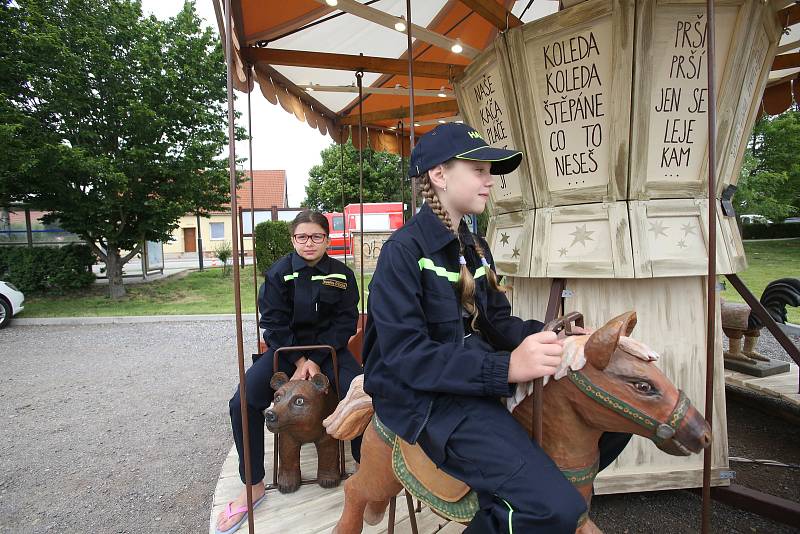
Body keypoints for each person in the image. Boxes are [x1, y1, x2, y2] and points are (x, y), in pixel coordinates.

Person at [362, 123, 631, 533]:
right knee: (550, 509)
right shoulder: (403, 253)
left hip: (472, 376)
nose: (490, 182)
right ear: (439, 174)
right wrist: (505, 369)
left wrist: (563, 337)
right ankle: (534, 504)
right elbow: (406, 358)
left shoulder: (474, 246)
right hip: (426, 397)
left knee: (616, 418)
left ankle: (521, 495)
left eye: (491, 172)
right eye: (479, 171)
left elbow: (498, 321)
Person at [216, 210, 362, 534]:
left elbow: (345, 321)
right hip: (285, 353)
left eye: (316, 237)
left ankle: (363, 465)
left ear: (327, 238)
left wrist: (316, 356)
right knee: (242, 401)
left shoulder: (341, 274)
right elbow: (272, 322)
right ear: (293, 239)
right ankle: (252, 483)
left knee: (363, 391)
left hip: (329, 351)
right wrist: (299, 361)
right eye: (302, 237)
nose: (309, 243)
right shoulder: (278, 273)